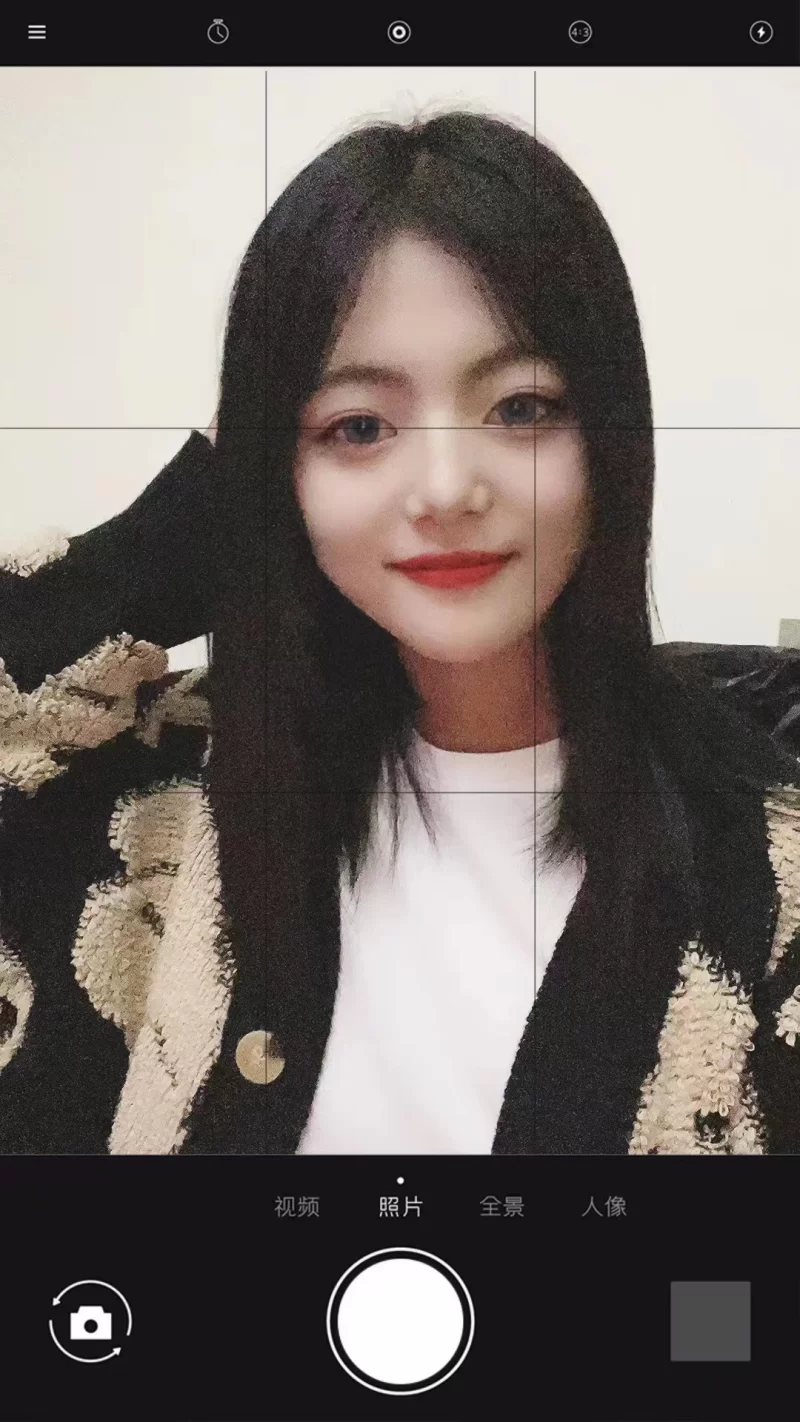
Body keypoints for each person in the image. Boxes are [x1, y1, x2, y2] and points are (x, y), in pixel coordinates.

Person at [1, 108, 799, 1156]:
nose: (446, 488)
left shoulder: (766, 872)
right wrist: (206, 507)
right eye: (359, 426)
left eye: (520, 409)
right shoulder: (167, 793)